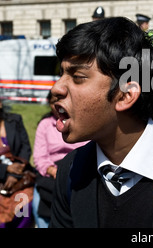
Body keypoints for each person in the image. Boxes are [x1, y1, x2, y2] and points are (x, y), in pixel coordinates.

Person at [49, 17, 153, 228]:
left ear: (124, 96)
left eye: (77, 76)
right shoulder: (71, 170)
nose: (56, 88)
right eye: (61, 74)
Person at [32, 91, 88, 228]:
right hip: (51, 171)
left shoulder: (84, 124)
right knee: (38, 202)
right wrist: (53, 171)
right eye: (53, 102)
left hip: (78, 168)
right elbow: (39, 156)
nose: (59, 105)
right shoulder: (45, 125)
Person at [0, 99, 34, 228]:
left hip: (20, 177)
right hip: (2, 178)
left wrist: (15, 174)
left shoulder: (14, 120)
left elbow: (25, 147)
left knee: (23, 207)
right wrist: (6, 169)